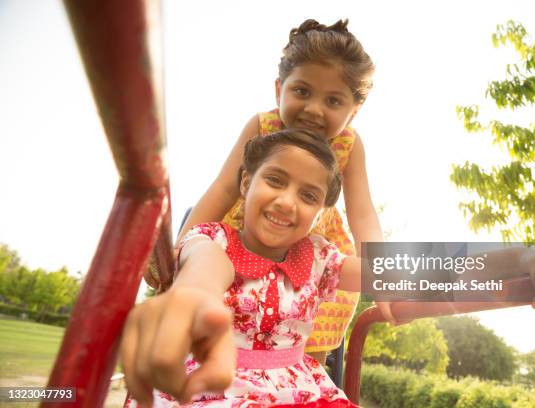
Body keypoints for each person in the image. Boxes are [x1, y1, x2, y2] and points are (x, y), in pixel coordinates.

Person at [122, 129, 535, 407]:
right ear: (246, 183)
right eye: (275, 180)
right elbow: (200, 280)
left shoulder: (318, 259)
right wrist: (187, 307)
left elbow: (420, 268)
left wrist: (517, 256)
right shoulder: (214, 241)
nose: (286, 202)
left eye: (308, 195)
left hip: (299, 391)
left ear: (320, 212)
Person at [161, 18, 391, 363]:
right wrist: (179, 254)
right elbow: (225, 187)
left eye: (333, 101)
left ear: (353, 111)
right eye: (302, 91)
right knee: (219, 292)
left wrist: (385, 274)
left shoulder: (349, 145)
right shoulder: (262, 126)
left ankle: (299, 373)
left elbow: (362, 212)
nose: (314, 109)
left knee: (307, 326)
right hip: (248, 236)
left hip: (309, 252)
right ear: (278, 89)